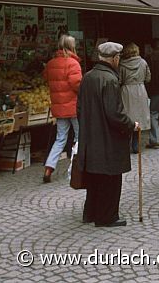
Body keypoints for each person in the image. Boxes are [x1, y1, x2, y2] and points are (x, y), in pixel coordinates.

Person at [76, 41, 138, 228]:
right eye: (118, 58)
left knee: (95, 176)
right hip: (107, 138)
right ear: (115, 58)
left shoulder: (88, 76)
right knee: (110, 178)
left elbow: (79, 108)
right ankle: (106, 217)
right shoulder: (110, 79)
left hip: (91, 135)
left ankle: (91, 212)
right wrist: (131, 125)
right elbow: (115, 114)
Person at [42, 34, 83, 183]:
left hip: (59, 107)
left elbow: (46, 78)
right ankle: (78, 168)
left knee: (60, 139)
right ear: (72, 46)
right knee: (80, 137)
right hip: (73, 106)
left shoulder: (51, 63)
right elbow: (77, 84)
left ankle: (49, 167)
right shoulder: (73, 63)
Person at [118, 43, 151, 154]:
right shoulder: (143, 62)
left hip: (126, 91)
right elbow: (148, 78)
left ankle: (125, 144)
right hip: (140, 91)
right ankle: (136, 145)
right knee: (139, 117)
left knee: (127, 116)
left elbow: (119, 80)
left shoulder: (122, 64)